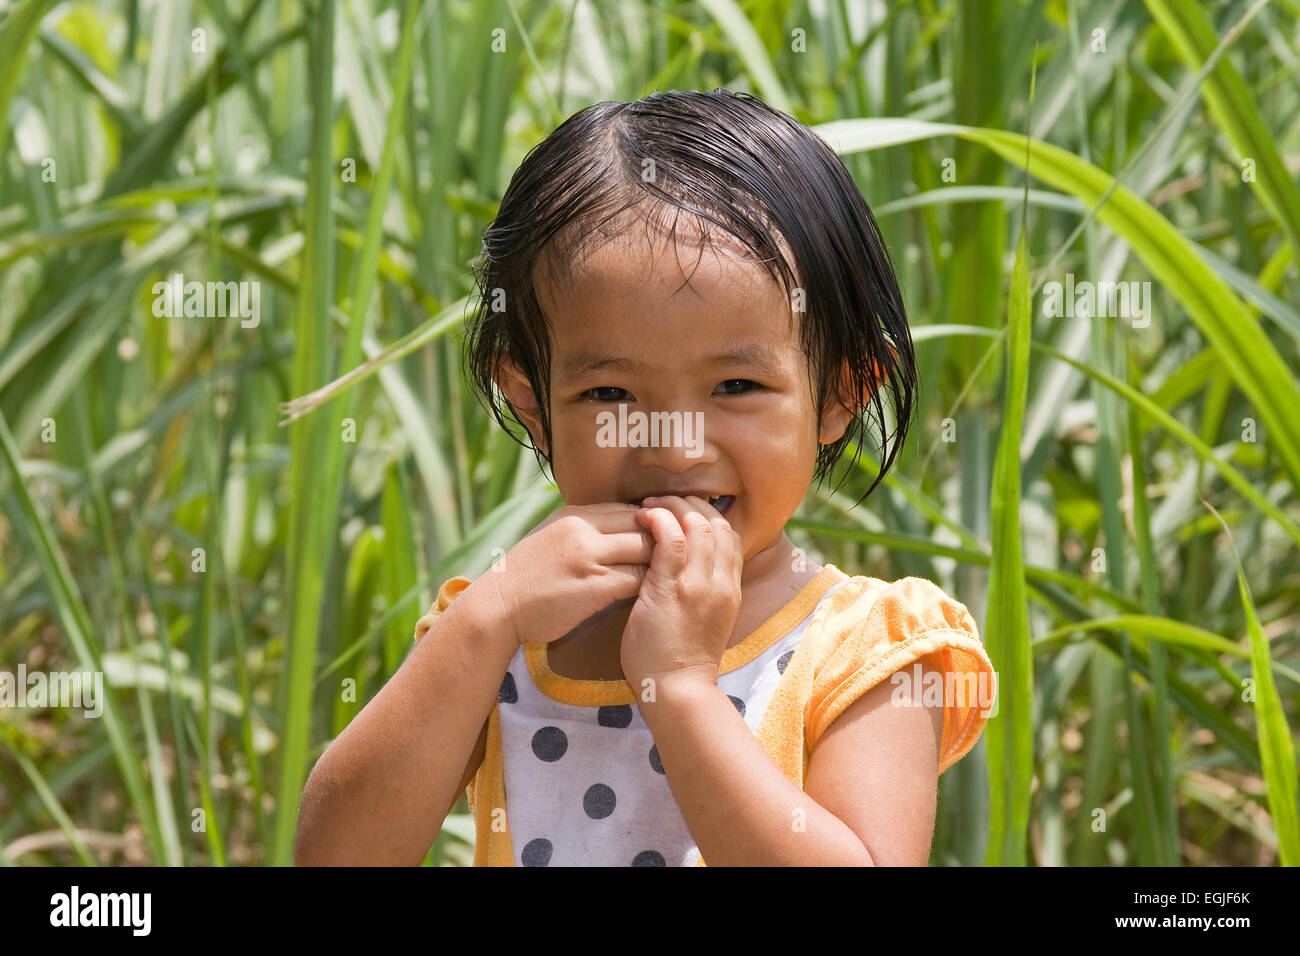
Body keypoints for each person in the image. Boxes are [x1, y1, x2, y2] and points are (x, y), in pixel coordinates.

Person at [295, 89, 996, 867]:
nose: (674, 443)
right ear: (532, 404)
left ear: (839, 396)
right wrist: (482, 624)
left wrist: (682, 688)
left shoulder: (868, 650)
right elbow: (335, 853)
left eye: (736, 388)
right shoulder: (505, 634)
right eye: (609, 394)